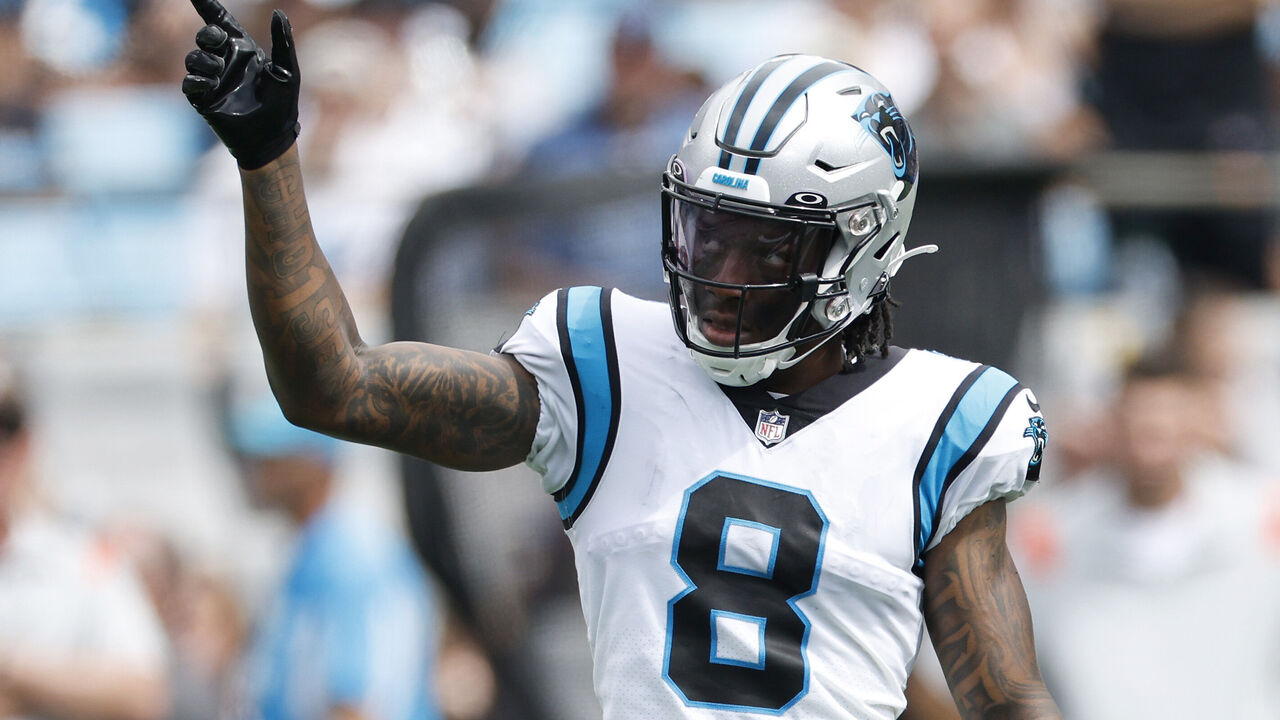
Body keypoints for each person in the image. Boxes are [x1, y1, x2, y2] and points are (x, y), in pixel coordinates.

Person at [179, 3, 1061, 716]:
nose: (718, 274)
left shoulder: (941, 422)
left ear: (859, 250)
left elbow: (1009, 702)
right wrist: (270, 161)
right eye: (706, 232)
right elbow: (332, 388)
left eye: (762, 247)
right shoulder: (604, 364)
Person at [1009, 353, 1280, 718]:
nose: (1152, 437)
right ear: (1111, 423)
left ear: (1199, 421)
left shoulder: (1265, 518)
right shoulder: (1046, 537)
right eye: (1139, 420)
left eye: (1166, 420)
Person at [225, 391, 442, 720]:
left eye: (270, 459)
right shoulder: (313, 548)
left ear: (312, 462)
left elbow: (354, 705)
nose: (253, 473)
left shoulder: (352, 555)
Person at [0, 360, 170, 720]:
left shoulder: (82, 561)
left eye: (5, 426)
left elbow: (145, 690)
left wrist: (14, 672)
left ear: (23, 443)